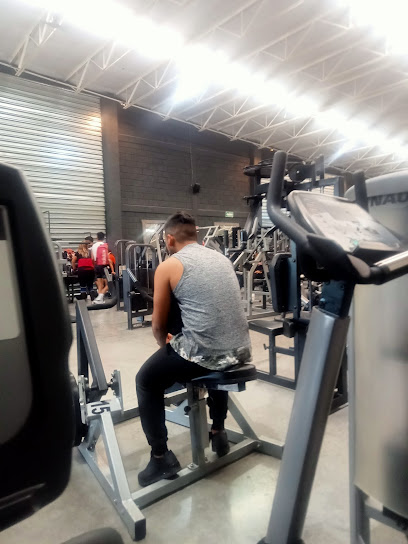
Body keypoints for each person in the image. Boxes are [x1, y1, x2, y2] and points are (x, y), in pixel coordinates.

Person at [136, 212, 251, 487]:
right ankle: (219, 431)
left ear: (169, 239)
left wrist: (165, 346)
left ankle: (160, 458)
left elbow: (158, 326)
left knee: (146, 380)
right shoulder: (222, 259)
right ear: (196, 234)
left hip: (206, 354)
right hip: (241, 351)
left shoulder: (168, 266)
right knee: (215, 354)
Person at [91, 232, 109, 304]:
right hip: (104, 266)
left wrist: (94, 265)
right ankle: (99, 298)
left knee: (100, 284)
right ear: (104, 237)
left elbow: (92, 258)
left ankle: (100, 299)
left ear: (97, 237)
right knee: (109, 284)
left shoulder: (94, 246)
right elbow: (107, 257)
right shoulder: (104, 245)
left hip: (96, 265)